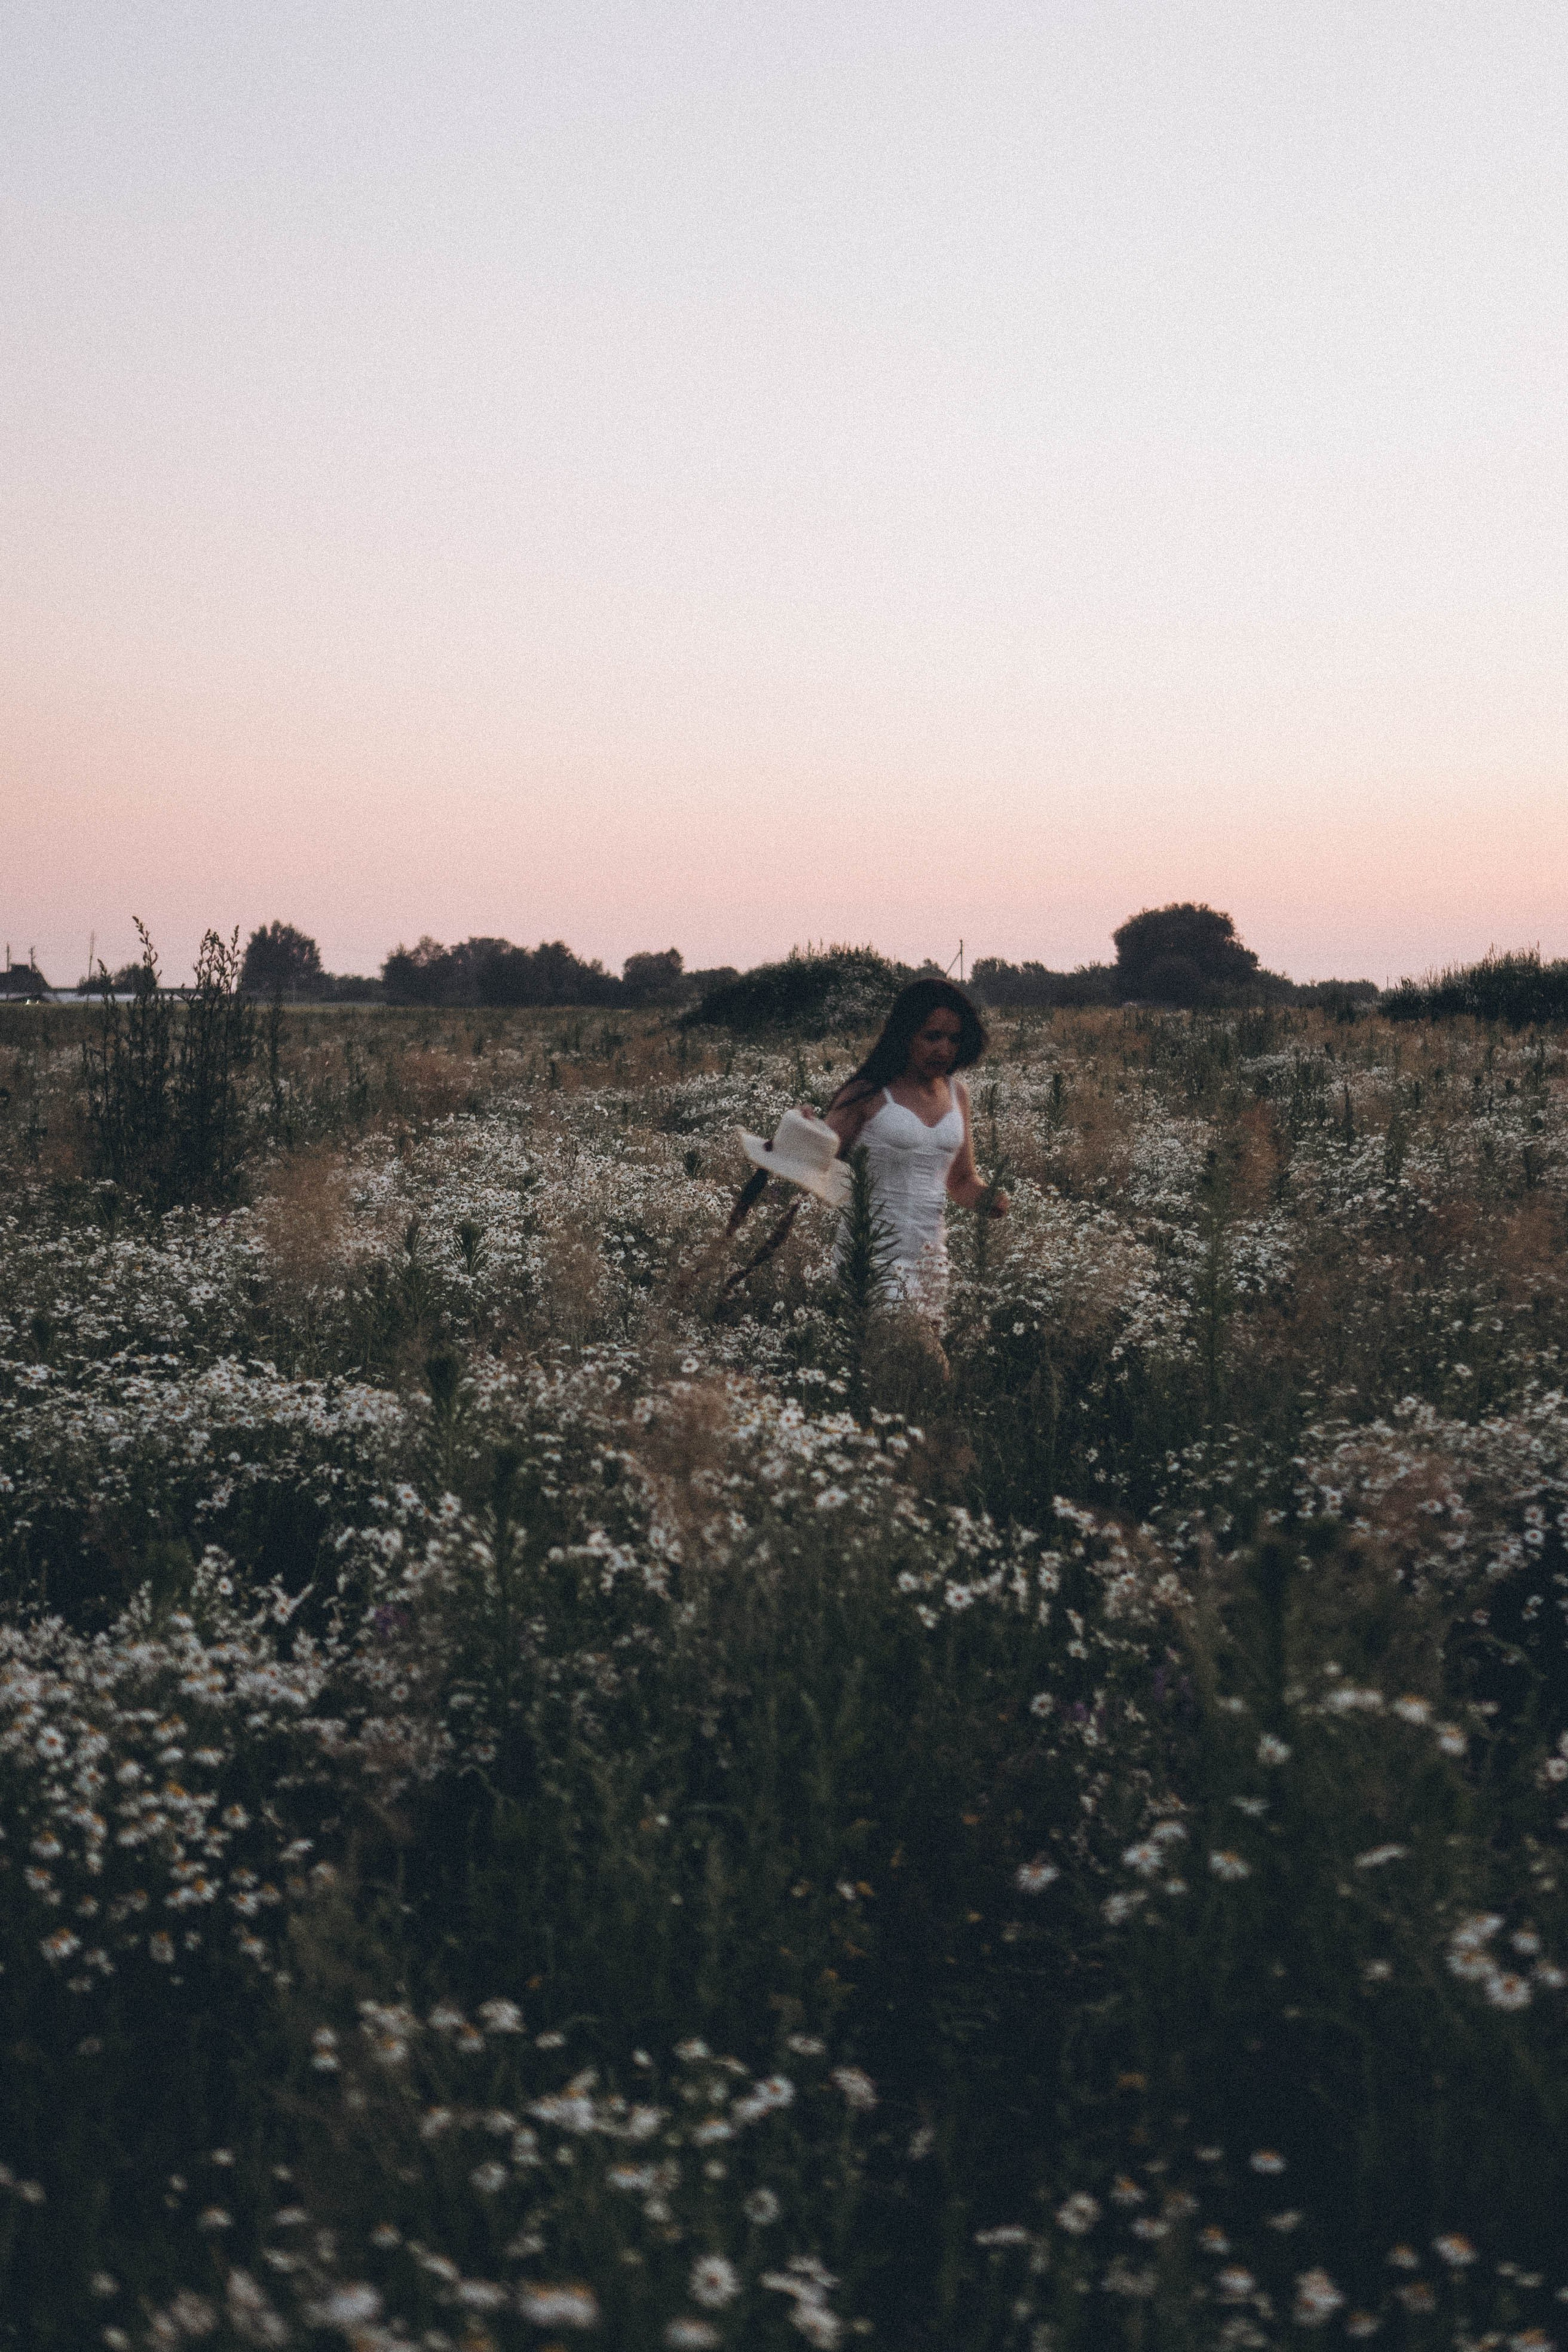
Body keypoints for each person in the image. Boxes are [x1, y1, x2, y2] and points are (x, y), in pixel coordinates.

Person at [819, 977, 1009, 1310]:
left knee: (920, 1359)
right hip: (869, 1260)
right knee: (902, 1356)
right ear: (905, 1034)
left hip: (930, 1262)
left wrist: (990, 1199)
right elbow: (816, 1156)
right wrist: (805, 1126)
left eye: (954, 1039)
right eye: (932, 1036)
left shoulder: (957, 1094)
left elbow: (961, 1181)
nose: (944, 1049)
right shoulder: (868, 1093)